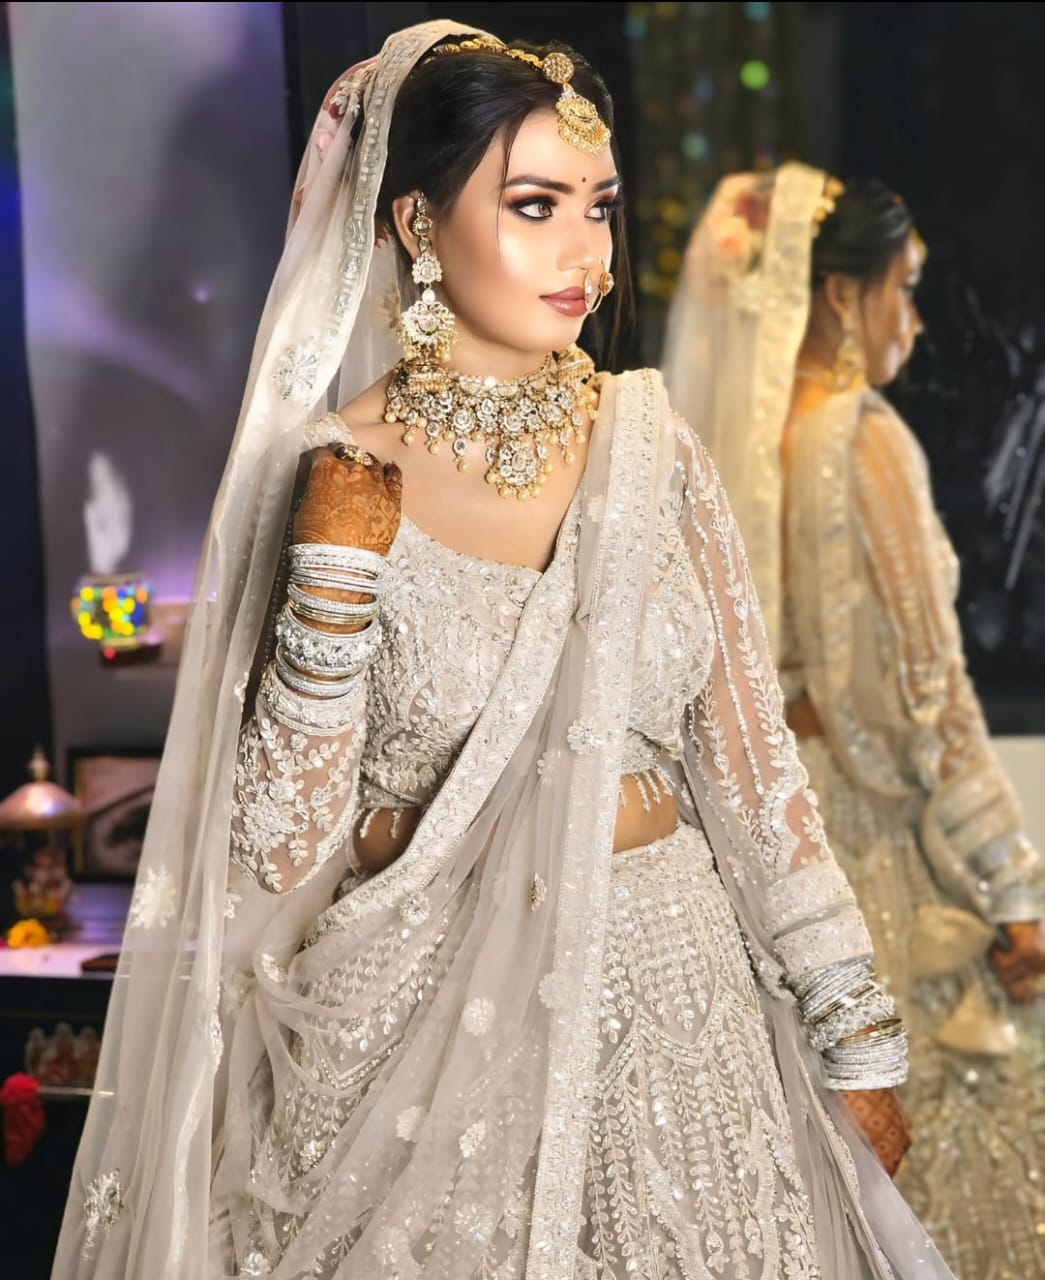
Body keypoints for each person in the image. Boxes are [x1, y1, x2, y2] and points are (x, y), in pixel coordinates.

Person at [54, 29, 951, 1279]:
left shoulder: (652, 449)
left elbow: (755, 779)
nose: (585, 252)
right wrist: (333, 584)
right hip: (419, 1045)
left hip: (675, 1017)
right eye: (534, 206)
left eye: (598, 207)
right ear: (417, 223)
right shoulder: (336, 470)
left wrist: (855, 1036)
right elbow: (275, 852)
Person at [663, 161, 1045, 1278]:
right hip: (872, 854)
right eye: (903, 289)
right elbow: (932, 698)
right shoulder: (861, 437)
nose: (912, 322)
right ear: (841, 294)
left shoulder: (712, 448)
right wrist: (1013, 886)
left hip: (767, 844)